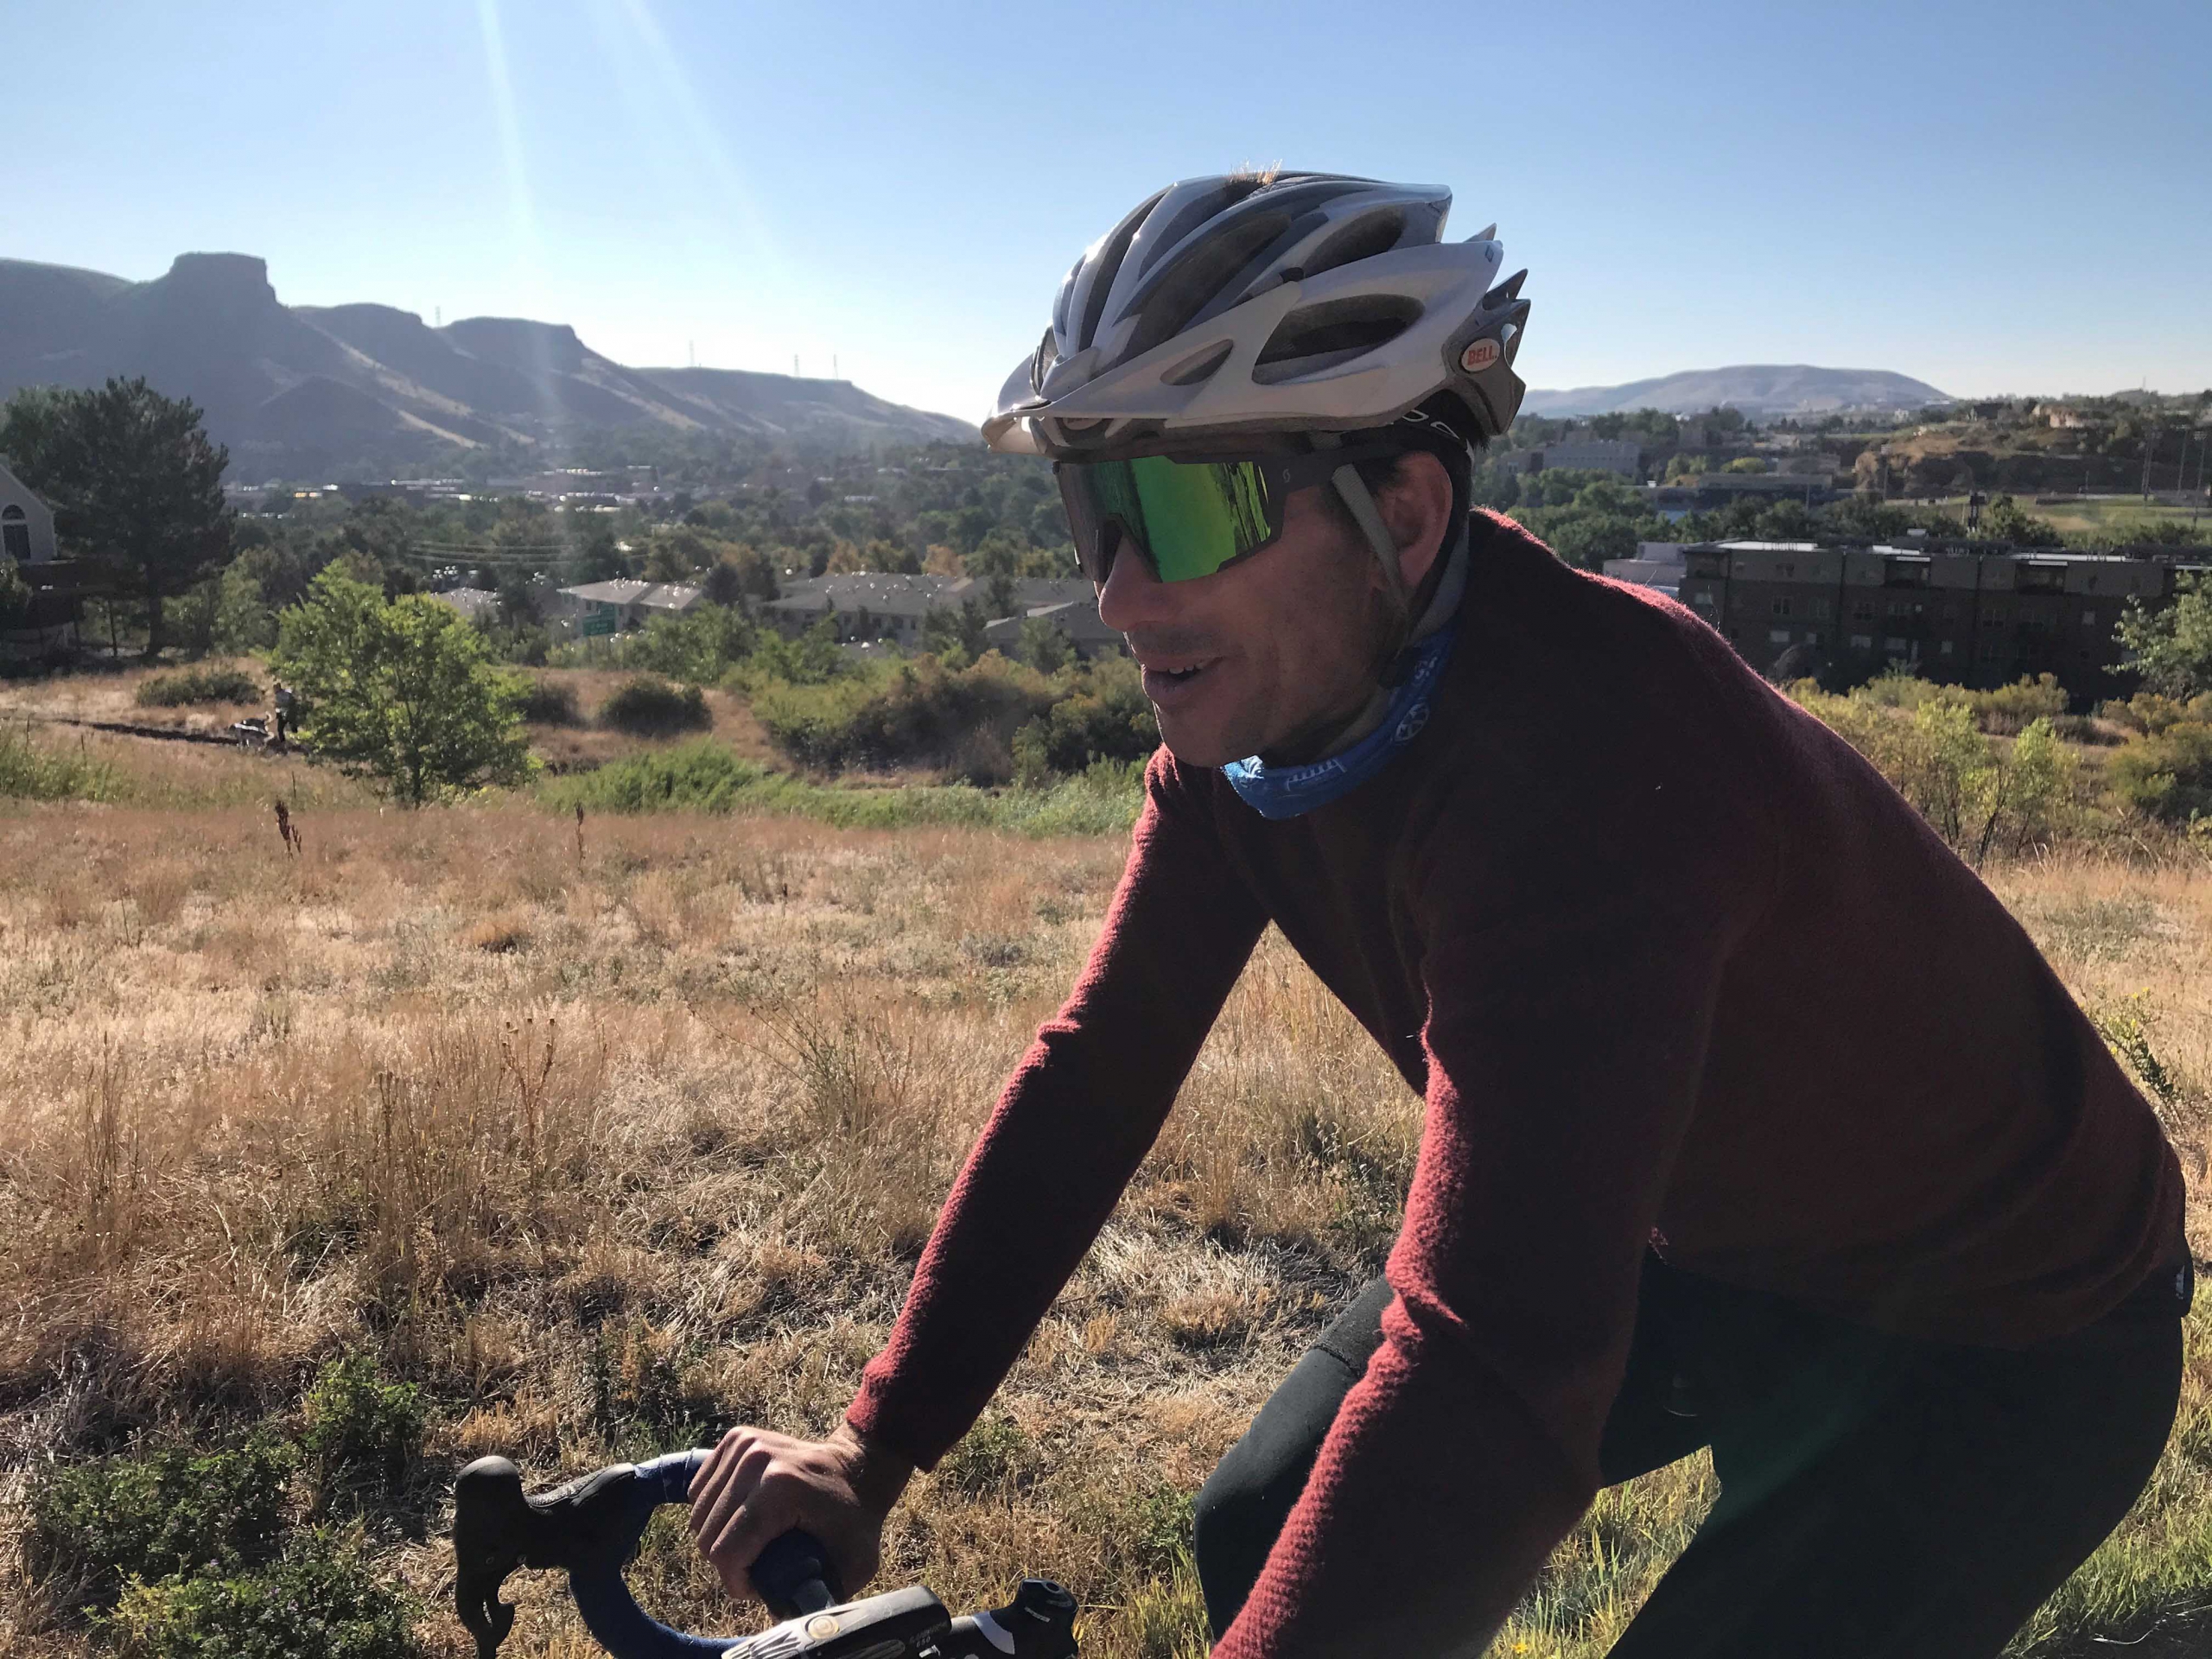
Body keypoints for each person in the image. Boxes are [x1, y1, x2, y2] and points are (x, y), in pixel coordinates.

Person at [686, 173, 2191, 1658]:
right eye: (1096, 511)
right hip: (1708, 1237)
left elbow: (1496, 1371)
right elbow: (1098, 1072)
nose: (1122, 597)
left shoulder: (1600, 760)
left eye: (1191, 507)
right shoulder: (1261, 738)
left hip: (2000, 1321)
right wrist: (872, 1448)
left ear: (1403, 509)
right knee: (1265, 1529)